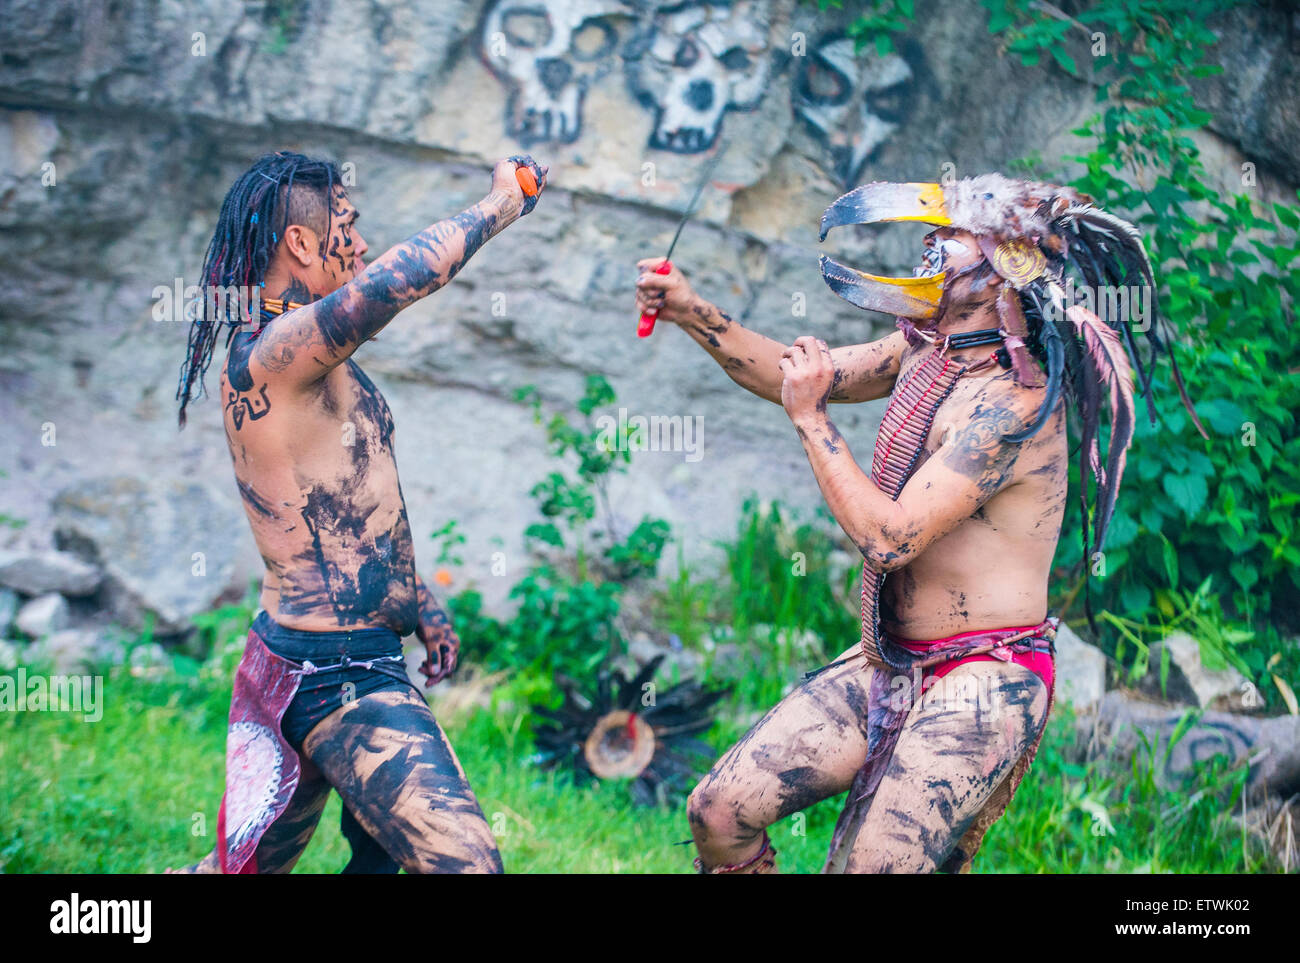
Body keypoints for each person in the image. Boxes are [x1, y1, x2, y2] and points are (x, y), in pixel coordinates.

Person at [634, 173, 1202, 873]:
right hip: (894, 655)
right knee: (719, 810)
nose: (932, 241)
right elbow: (785, 371)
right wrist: (690, 308)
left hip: (984, 675)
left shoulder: (1014, 405)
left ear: (1007, 270)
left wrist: (811, 421)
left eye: (955, 233)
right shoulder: (925, 354)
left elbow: (890, 536)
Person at [171, 149, 547, 874]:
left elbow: (344, 502)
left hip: (319, 658)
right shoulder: (272, 355)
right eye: (349, 224)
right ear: (301, 244)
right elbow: (401, 278)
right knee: (468, 867)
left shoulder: (308, 357)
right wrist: (503, 201)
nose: (364, 243)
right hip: (330, 672)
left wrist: (416, 599)